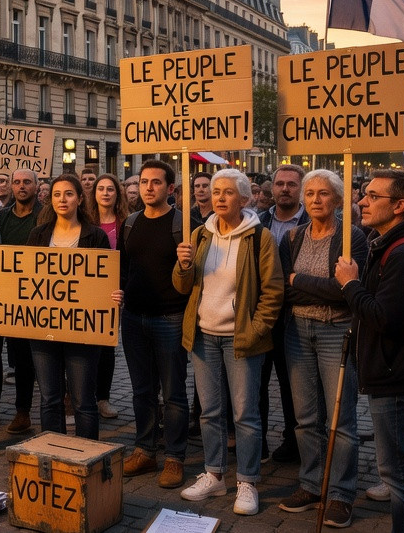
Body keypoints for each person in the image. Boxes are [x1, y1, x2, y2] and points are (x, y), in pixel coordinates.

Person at [335, 169, 404, 533]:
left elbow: (385, 318)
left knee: (399, 474)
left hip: (399, 374)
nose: (361, 202)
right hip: (399, 370)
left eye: (372, 196)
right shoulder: (395, 243)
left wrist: (349, 284)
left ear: (399, 205)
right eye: (363, 194)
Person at [173, 168, 284, 516]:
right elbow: (182, 286)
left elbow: (273, 291)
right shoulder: (199, 234)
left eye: (228, 192)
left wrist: (254, 331)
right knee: (210, 412)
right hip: (204, 335)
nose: (220, 197)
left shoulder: (258, 238)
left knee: (245, 414)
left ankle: (248, 480)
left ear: (245, 198)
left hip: (241, 340)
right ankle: (214, 473)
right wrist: (182, 265)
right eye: (216, 191)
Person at [276, 169, 367, 527]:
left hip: (336, 331)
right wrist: (317, 285)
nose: (316, 199)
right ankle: (312, 484)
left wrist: (304, 282)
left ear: (339, 199)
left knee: (340, 418)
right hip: (297, 331)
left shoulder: (351, 238)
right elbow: (286, 288)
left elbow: (345, 290)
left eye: (324, 193)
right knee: (305, 417)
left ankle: (342, 494)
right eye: (310, 193)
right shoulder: (293, 237)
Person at [119, 159, 191, 489]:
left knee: (174, 392)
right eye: (144, 182)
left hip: (170, 318)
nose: (149, 188)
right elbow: (123, 267)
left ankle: (175, 456)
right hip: (133, 318)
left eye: (156, 183)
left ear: (170, 189)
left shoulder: (184, 225)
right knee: (142, 390)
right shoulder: (131, 223)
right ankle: (145, 450)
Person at [23, 174, 111, 440]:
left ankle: (87, 456)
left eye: (69, 194)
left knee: (83, 399)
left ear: (80, 198)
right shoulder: (38, 234)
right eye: (57, 194)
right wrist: (3, 291)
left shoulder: (95, 236)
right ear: (51, 199)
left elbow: (108, 278)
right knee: (49, 397)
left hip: (82, 330)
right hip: (44, 327)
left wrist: (113, 294)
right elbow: (24, 277)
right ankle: (52, 451)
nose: (63, 199)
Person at [255, 164, 306, 463]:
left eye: (291, 184)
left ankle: (293, 441)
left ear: (299, 189)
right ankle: (257, 440)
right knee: (256, 382)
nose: (284, 189)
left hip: (294, 316)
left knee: (293, 384)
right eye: (279, 184)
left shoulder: (314, 222)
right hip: (261, 313)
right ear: (271, 188)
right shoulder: (258, 221)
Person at [0, 169, 40, 434]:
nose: (22, 187)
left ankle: (23, 411)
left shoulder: (46, 216)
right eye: (17, 182)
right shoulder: (0, 218)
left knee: (23, 357)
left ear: (36, 185)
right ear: (10, 186)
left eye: (27, 182)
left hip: (33, 296)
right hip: (2, 294)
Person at [88, 173, 126, 421]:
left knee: (107, 346)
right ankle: (83, 396)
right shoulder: (85, 222)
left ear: (117, 194)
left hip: (114, 293)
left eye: (110, 189)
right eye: (100, 188)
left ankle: (103, 397)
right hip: (87, 290)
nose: (105, 193)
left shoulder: (126, 223)